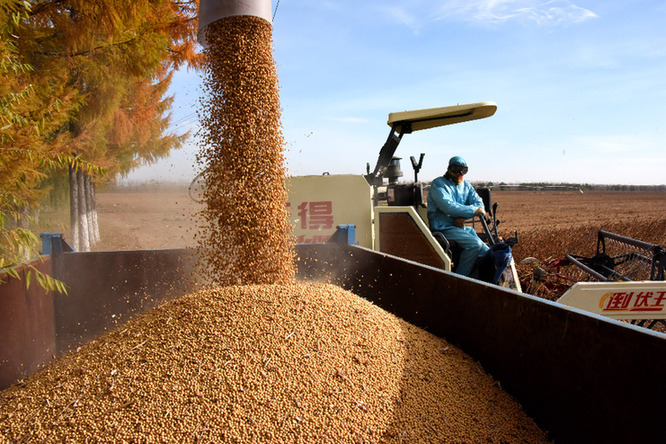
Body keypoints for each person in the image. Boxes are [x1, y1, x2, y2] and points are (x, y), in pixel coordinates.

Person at [427, 156, 489, 276]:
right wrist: (473, 211)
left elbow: (479, 204)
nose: (459, 173)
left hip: (458, 227)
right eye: (456, 169)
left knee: (487, 252)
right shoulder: (438, 184)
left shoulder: (465, 185)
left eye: (463, 170)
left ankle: (482, 276)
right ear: (449, 168)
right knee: (474, 245)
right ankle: (459, 279)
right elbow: (448, 206)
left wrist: (463, 217)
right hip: (443, 227)